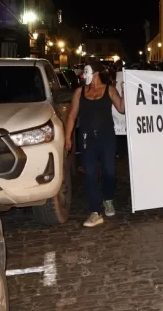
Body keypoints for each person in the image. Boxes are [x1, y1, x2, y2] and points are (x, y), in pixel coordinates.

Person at [65, 60, 125, 227]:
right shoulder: (80, 92)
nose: (84, 75)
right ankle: (95, 211)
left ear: (96, 73)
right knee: (90, 173)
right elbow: (72, 115)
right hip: (87, 139)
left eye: (87, 71)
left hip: (106, 138)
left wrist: (124, 91)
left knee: (109, 171)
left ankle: (108, 199)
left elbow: (122, 109)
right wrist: (68, 137)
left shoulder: (109, 90)